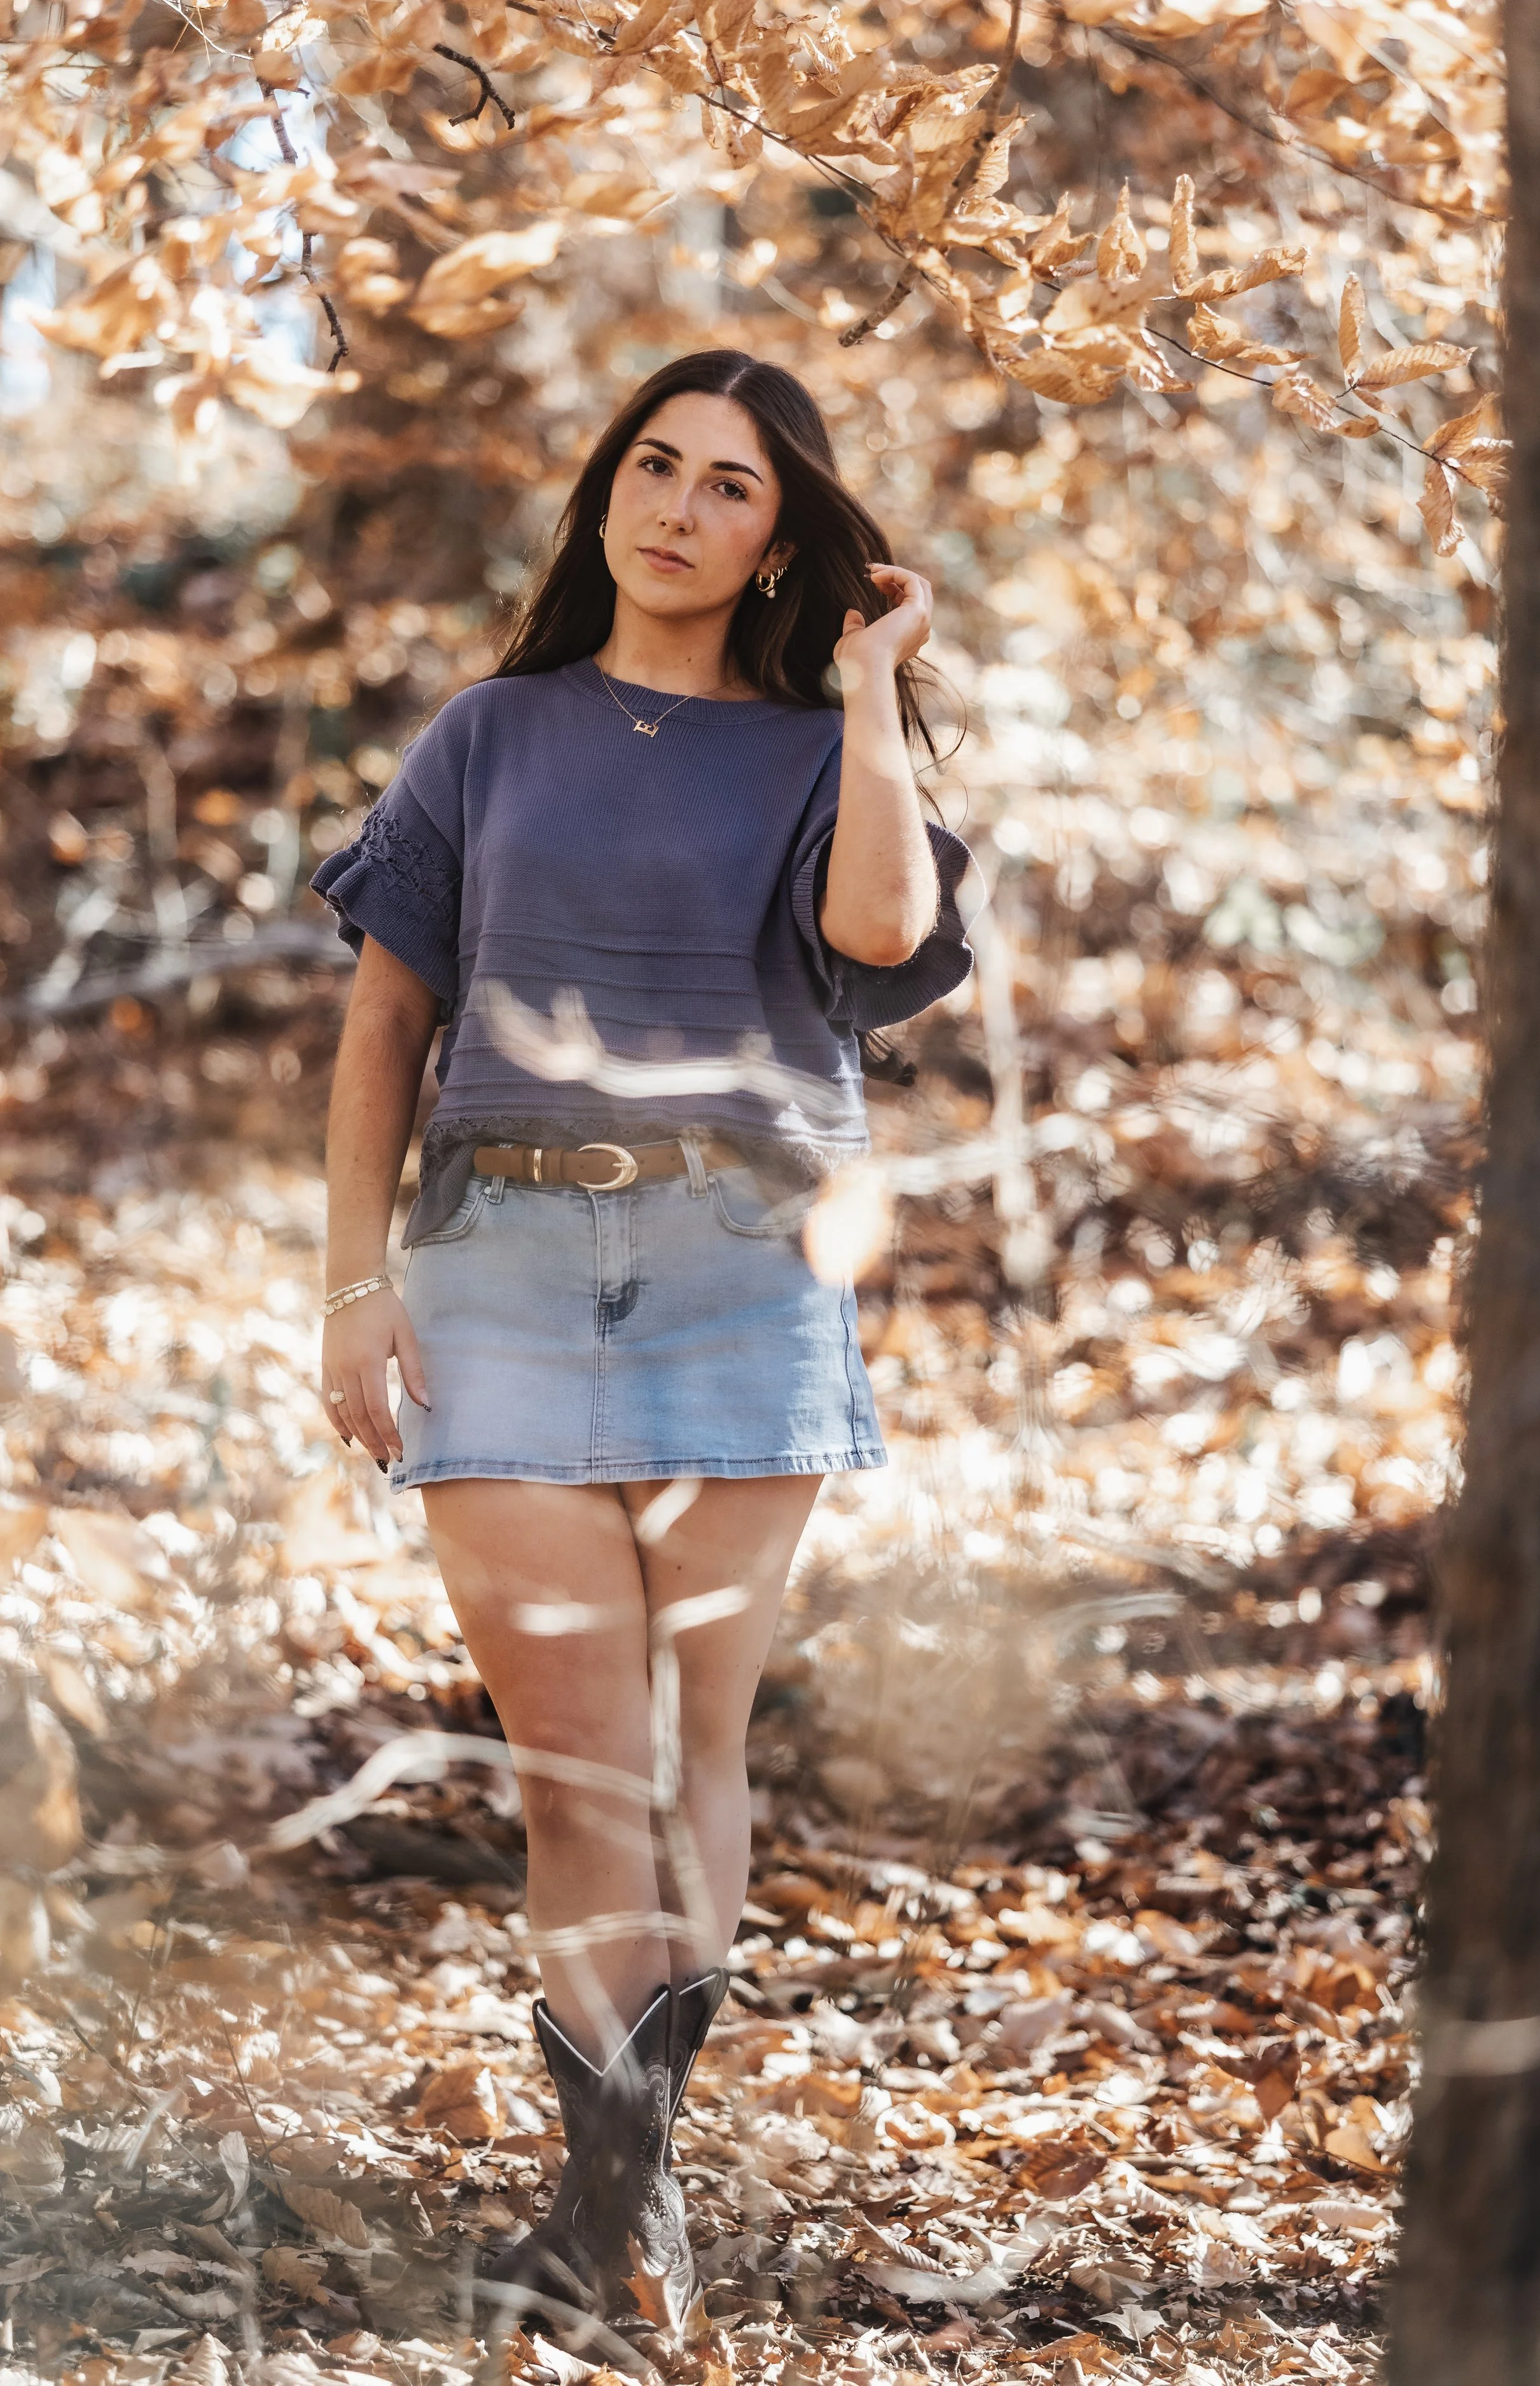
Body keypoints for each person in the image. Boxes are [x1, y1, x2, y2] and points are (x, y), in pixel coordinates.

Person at [310, 347, 981, 2348]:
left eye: (731, 491)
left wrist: (863, 701)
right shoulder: (491, 734)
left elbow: (877, 940)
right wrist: (358, 1284)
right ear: (609, 484)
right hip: (499, 1258)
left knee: (695, 1738)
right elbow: (380, 1033)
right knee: (575, 1761)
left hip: (739, 1266)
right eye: (655, 466)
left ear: (784, 543)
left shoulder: (812, 750)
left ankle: (623, 2200)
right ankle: (613, 2214)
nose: (677, 508)